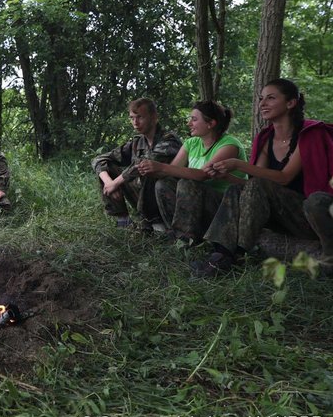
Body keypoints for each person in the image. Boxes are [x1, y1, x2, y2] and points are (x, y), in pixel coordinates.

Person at [196, 79, 333, 276]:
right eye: (261, 99)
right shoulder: (266, 138)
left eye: (270, 98)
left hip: (309, 215)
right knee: (237, 189)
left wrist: (238, 164)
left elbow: (284, 178)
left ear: (291, 103)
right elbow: (254, 187)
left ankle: (240, 253)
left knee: (260, 184)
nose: (262, 104)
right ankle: (221, 253)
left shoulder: (309, 133)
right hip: (281, 215)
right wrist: (228, 176)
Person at [138, 101, 246, 243]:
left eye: (194, 119)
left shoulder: (229, 145)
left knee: (187, 184)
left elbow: (202, 175)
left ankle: (185, 239)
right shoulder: (192, 143)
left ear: (211, 123)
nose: (189, 123)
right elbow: (171, 171)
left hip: (224, 207)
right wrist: (148, 169)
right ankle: (176, 233)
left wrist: (161, 167)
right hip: (198, 204)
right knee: (163, 184)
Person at [91, 98, 182, 230]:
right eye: (132, 118)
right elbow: (99, 159)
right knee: (108, 167)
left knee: (149, 174)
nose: (135, 122)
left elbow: (144, 165)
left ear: (154, 117)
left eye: (140, 117)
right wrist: (108, 182)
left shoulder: (169, 140)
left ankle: (157, 224)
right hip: (142, 196)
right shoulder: (137, 142)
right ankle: (123, 221)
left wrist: (116, 183)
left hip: (169, 198)